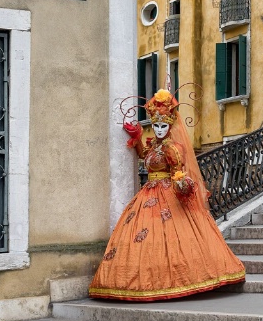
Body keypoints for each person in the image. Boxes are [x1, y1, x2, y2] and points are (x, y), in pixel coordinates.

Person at [89, 90, 245, 301]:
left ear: (170, 126)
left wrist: (182, 183)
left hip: (167, 194)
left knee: (174, 237)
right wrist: (136, 137)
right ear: (152, 126)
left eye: (163, 126)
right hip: (148, 193)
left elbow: (178, 172)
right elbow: (145, 156)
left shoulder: (173, 148)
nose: (159, 130)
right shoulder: (153, 145)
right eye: (156, 126)